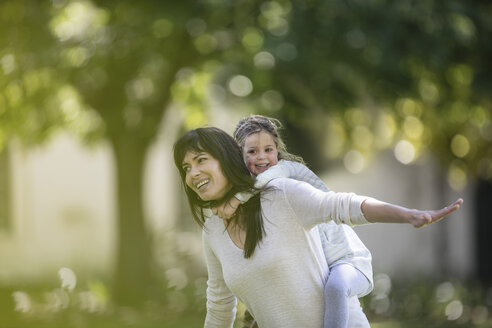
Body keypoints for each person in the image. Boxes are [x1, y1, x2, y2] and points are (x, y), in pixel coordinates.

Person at [173, 126, 462, 328]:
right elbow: (220, 308)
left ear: (226, 160)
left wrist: (409, 215)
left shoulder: (281, 195)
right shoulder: (212, 231)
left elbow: (344, 205)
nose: (193, 173)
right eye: (186, 167)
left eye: (201, 160)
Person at [213, 115, 373, 328]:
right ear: (238, 155)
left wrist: (235, 200)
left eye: (269, 150)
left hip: (348, 260)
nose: (262, 157)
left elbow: (267, 178)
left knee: (335, 287)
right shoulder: (256, 200)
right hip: (323, 269)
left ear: (277, 150)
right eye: (252, 152)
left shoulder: (288, 173)